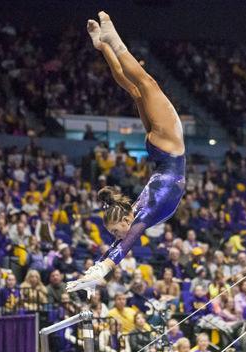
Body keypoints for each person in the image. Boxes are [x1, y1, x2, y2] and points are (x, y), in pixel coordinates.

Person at [67, 11, 186, 293]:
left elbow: (119, 248)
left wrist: (100, 269)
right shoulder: (138, 218)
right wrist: (99, 271)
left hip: (166, 151)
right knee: (144, 85)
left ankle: (107, 44)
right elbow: (122, 248)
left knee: (141, 87)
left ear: (123, 220)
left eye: (114, 232)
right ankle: (108, 43)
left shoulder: (135, 214)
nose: (116, 236)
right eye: (115, 233)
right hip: (165, 150)